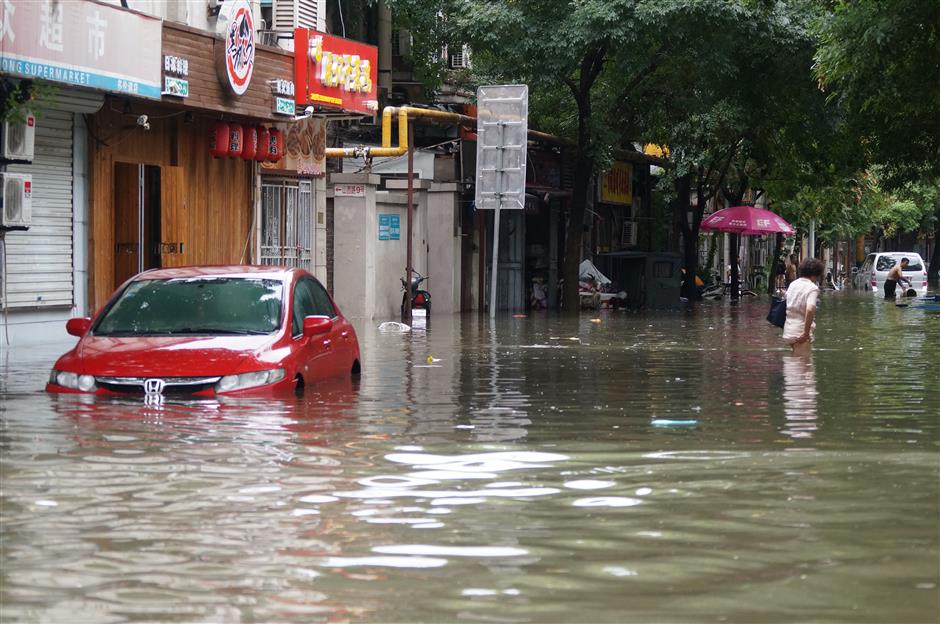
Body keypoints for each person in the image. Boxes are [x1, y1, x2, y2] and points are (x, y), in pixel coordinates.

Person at [782, 257, 823, 354]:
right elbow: (810, 309)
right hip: (800, 332)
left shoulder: (793, 284)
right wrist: (806, 333)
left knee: (794, 365)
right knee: (804, 365)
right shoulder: (812, 288)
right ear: (816, 273)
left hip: (789, 330)